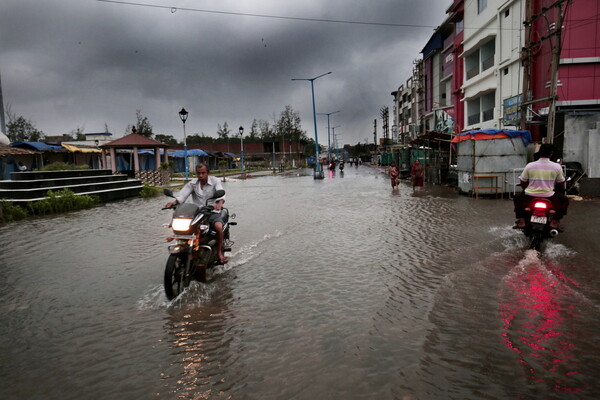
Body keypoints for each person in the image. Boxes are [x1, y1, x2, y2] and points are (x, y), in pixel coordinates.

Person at [165, 164, 229, 264]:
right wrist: (173, 203)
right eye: (198, 173)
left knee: (219, 226)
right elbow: (182, 196)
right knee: (185, 228)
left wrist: (219, 203)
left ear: (208, 173)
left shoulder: (215, 181)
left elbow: (221, 194)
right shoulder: (193, 183)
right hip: (197, 212)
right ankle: (184, 249)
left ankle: (219, 253)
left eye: (203, 173)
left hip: (212, 211)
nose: (200, 175)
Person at [513, 143, 569, 229]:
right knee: (564, 200)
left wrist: (526, 189)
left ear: (539, 152)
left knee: (517, 197)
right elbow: (560, 183)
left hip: (530, 196)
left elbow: (523, 181)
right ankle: (554, 221)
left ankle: (522, 221)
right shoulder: (557, 167)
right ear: (551, 153)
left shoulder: (530, 165)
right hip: (549, 196)